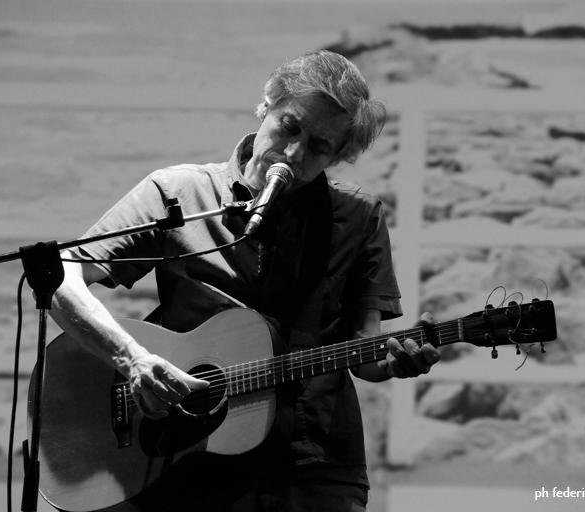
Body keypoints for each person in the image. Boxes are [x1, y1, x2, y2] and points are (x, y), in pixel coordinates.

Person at [50, 50, 440, 512]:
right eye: (289, 127)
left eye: (319, 147)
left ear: (338, 156)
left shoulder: (358, 218)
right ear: (267, 105)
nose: (293, 153)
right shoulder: (179, 193)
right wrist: (131, 358)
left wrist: (391, 362)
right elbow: (61, 276)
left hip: (312, 466)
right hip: (183, 457)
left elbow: (364, 349)